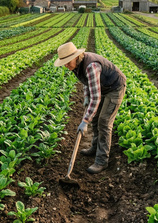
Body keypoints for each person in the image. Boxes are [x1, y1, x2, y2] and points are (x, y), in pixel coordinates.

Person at [54, 42, 126, 174]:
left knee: (104, 122)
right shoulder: (76, 65)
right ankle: (95, 147)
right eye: (63, 62)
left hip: (115, 88)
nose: (66, 65)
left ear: (75, 57)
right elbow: (87, 82)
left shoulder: (91, 66)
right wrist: (86, 97)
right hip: (103, 87)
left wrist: (84, 121)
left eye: (67, 62)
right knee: (95, 117)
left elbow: (96, 97)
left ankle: (101, 161)